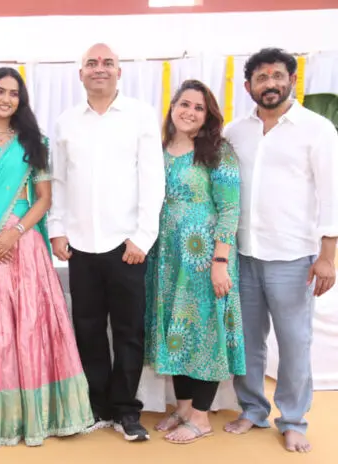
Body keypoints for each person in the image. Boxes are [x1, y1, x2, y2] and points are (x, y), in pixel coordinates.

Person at [0, 67, 94, 448]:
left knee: (30, 326)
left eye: (14, 93)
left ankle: (38, 416)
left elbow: (44, 198)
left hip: (23, 243)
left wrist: (15, 232)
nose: (6, 99)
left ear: (21, 100)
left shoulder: (33, 141)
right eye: (0, 91)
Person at [48, 43, 166, 442]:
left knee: (129, 331)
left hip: (127, 245)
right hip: (80, 244)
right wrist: (57, 228)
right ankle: (97, 406)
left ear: (119, 72)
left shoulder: (140, 115)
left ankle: (127, 410)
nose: (100, 68)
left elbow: (153, 180)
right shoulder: (65, 122)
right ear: (80, 73)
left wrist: (143, 238)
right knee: (88, 329)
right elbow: (59, 180)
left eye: (107, 63)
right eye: (92, 63)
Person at [223, 48, 338, 453]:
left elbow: (332, 194)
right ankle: (252, 409)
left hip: (293, 258)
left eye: (277, 75)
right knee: (247, 342)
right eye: (261, 77)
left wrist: (328, 256)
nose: (270, 83)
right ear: (248, 85)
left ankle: (292, 420)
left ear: (292, 79)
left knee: (294, 343)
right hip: (243, 255)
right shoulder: (235, 132)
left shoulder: (317, 130)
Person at [144, 79, 245, 444]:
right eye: (184, 104)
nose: (189, 111)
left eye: (198, 107)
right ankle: (184, 408)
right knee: (177, 329)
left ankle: (201, 417)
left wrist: (220, 261)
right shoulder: (158, 150)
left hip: (204, 258)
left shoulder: (218, 151)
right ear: (172, 107)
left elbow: (230, 208)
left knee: (205, 330)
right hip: (167, 258)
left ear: (208, 115)